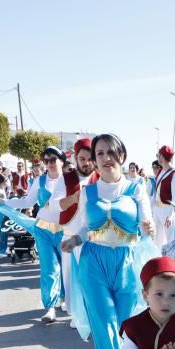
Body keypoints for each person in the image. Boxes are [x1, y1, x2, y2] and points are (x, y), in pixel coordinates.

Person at [61, 133, 156, 349]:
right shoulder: (88, 191)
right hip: (94, 262)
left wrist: (148, 228)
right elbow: (83, 227)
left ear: (121, 156)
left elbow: (146, 224)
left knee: (126, 324)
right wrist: (73, 240)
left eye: (110, 153)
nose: (105, 158)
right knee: (104, 323)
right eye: (99, 154)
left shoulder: (136, 188)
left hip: (126, 261)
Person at [0, 146, 69, 322]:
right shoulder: (40, 180)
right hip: (43, 229)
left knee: (68, 269)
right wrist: (5, 201)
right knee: (49, 269)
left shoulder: (70, 180)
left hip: (65, 230)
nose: (50, 164)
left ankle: (68, 300)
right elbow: (28, 200)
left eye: (53, 159)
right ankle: (50, 307)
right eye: (46, 161)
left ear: (61, 160)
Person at [59, 137, 98, 319]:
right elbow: (54, 205)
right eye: (82, 159)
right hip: (69, 236)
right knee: (70, 278)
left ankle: (90, 313)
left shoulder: (101, 179)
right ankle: (76, 315)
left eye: (90, 158)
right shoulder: (65, 179)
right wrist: (73, 198)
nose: (86, 163)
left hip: (94, 238)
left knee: (90, 278)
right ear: (76, 158)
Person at [152, 145, 175, 256]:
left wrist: (171, 215)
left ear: (162, 157)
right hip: (157, 210)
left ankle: (171, 265)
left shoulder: (174, 175)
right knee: (156, 239)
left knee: (170, 240)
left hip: (168, 210)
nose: (157, 157)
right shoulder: (160, 172)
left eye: (158, 155)